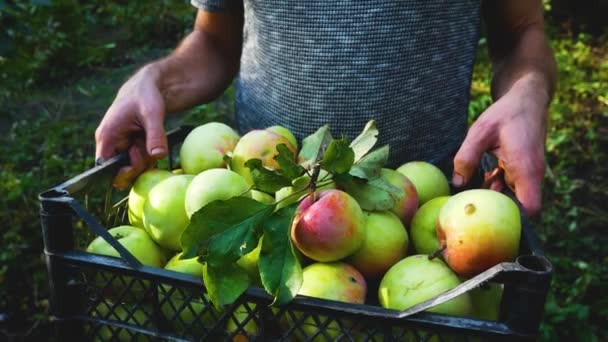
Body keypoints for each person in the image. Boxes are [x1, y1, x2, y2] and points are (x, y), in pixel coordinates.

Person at [95, 0, 556, 217]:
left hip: (430, 220)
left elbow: (521, 32)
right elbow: (215, 41)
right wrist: (158, 80)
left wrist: (529, 91)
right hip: (269, 216)